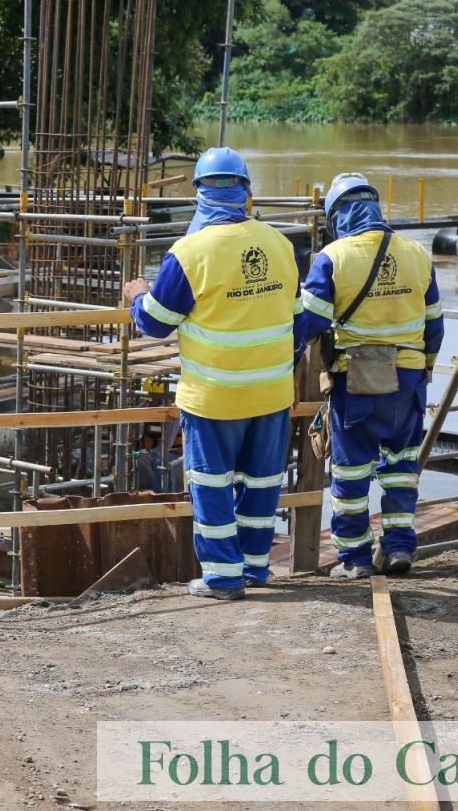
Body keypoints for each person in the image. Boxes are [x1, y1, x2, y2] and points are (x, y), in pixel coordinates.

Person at [123, 147, 304, 600]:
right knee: (262, 485)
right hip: (271, 392)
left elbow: (155, 324)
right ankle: (256, 568)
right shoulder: (281, 245)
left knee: (211, 485)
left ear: (199, 193)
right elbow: (298, 320)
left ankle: (223, 576)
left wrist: (137, 294)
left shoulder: (189, 252)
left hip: (215, 395)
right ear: (246, 192)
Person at [301, 172, 444, 579]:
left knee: (350, 472)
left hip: (357, 382)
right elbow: (434, 325)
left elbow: (309, 323)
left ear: (336, 216)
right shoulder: (418, 254)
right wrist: (426, 366)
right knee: (401, 468)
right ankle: (398, 548)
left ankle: (356, 560)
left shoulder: (332, 258)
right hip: (410, 381)